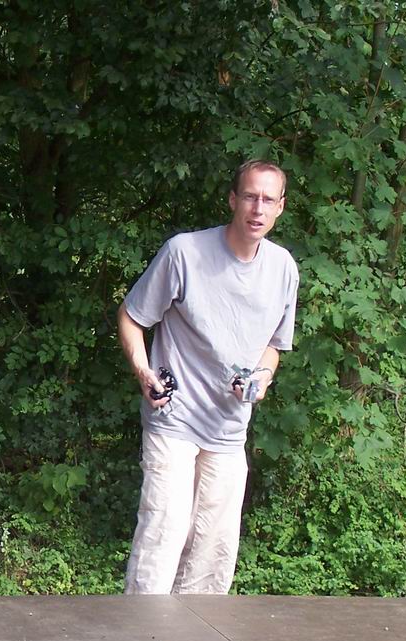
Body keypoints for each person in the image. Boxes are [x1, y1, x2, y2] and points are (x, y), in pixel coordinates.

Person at [118, 159, 298, 595]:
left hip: (229, 427)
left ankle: (194, 637)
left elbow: (274, 346)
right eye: (250, 197)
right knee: (164, 531)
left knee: (214, 551)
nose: (258, 208)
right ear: (233, 200)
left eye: (268, 200)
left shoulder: (283, 269)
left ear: (280, 207)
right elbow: (131, 317)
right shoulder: (185, 253)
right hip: (174, 419)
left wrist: (261, 377)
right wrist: (143, 371)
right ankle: (140, 630)